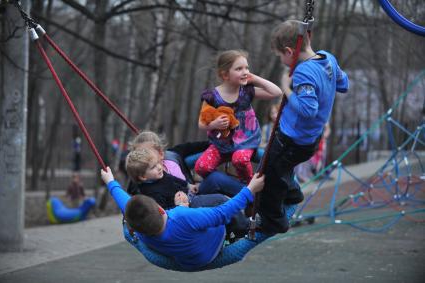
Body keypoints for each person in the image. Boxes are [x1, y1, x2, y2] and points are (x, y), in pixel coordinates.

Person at [257, 20, 349, 234]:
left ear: (289, 52)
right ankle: (292, 193)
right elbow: (344, 84)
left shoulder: (303, 72)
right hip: (309, 139)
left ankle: (273, 221)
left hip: (292, 139)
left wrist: (286, 89)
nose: (282, 61)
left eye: (281, 57)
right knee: (279, 167)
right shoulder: (328, 59)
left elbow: (309, 110)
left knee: (269, 174)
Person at [100, 166, 264, 271]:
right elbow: (222, 213)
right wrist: (250, 189)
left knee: (195, 214)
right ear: (160, 209)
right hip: (215, 244)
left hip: (188, 259)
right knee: (221, 200)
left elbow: (125, 202)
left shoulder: (141, 231)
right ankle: (244, 228)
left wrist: (111, 182)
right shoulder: (183, 217)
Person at [195, 50, 282, 183]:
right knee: (201, 167)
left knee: (240, 159)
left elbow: (276, 92)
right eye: (239, 69)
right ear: (225, 75)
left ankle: (248, 185)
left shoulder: (246, 91)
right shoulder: (212, 96)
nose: (245, 71)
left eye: (247, 68)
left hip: (246, 140)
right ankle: (227, 184)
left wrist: (256, 78)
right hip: (221, 143)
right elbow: (201, 123)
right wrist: (213, 124)